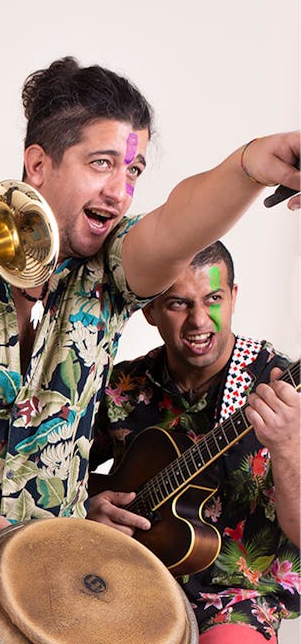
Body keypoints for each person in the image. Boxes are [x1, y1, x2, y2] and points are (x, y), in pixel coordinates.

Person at [0, 56, 300, 644]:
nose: (120, 190)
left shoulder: (112, 268)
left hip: (46, 585)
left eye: (133, 170)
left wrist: (251, 165)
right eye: (101, 163)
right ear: (38, 164)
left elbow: (177, 224)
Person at [89, 241, 299, 643]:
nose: (199, 320)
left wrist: (289, 446)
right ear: (150, 311)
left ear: (233, 297)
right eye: (178, 304)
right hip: (128, 579)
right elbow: (55, 473)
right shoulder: (122, 388)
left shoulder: (281, 390)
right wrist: (87, 512)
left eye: (213, 299)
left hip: (236, 599)